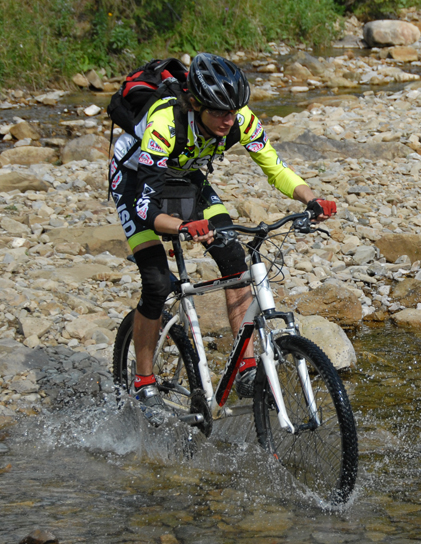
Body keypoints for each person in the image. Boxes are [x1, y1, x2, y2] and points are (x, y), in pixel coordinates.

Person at [109, 53, 337, 419]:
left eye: (233, 111)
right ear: (195, 104)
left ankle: (246, 368)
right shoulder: (165, 122)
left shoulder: (238, 119)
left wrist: (311, 199)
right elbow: (146, 208)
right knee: (156, 282)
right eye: (219, 113)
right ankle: (143, 381)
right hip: (136, 180)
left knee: (233, 258)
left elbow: (275, 168)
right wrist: (182, 227)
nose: (228, 120)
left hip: (186, 174)